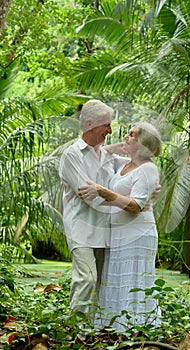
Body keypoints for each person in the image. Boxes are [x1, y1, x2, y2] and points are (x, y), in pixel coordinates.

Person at [78, 121, 162, 332]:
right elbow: (96, 153)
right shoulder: (125, 164)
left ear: (144, 142)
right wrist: (120, 146)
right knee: (115, 279)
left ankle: (134, 329)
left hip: (138, 234)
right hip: (119, 234)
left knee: (133, 281)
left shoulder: (148, 169)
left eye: (132, 134)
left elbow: (135, 206)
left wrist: (102, 191)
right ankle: (114, 328)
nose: (126, 136)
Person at [59, 99, 119, 319]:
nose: (110, 130)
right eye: (107, 125)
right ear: (91, 125)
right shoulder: (72, 155)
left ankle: (90, 333)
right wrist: (123, 203)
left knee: (99, 284)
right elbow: (88, 195)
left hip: (104, 231)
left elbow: (130, 174)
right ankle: (73, 330)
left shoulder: (105, 155)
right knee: (87, 279)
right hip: (81, 230)